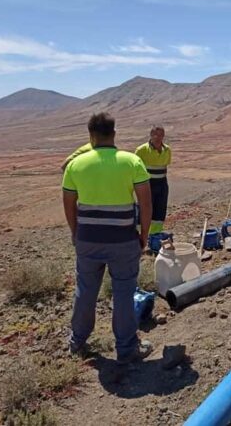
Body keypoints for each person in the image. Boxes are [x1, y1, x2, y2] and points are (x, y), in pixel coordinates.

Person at [62, 113, 152, 364]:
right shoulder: (131, 161)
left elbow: (68, 204)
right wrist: (143, 236)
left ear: (90, 136)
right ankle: (126, 348)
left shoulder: (75, 165)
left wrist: (75, 232)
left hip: (87, 240)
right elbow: (146, 204)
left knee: (85, 290)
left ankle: (77, 342)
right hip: (123, 240)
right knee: (124, 292)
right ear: (114, 133)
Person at [135, 125, 171, 236]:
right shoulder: (141, 150)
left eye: (160, 135)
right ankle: (140, 235)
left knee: (160, 210)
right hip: (147, 184)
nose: (158, 137)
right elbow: (135, 169)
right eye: (155, 134)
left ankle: (155, 235)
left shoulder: (167, 150)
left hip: (162, 184)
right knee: (144, 209)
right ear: (151, 135)